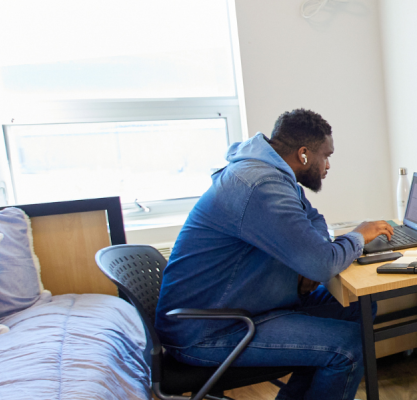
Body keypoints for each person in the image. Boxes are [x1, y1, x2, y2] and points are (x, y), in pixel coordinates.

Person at [156, 108, 394, 400]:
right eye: (326, 155)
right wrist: (358, 235)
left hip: (245, 306)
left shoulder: (274, 174)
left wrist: (309, 259)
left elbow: (314, 219)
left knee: (358, 308)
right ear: (304, 154)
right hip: (211, 330)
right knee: (348, 349)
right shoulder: (260, 185)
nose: (328, 165)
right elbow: (323, 263)